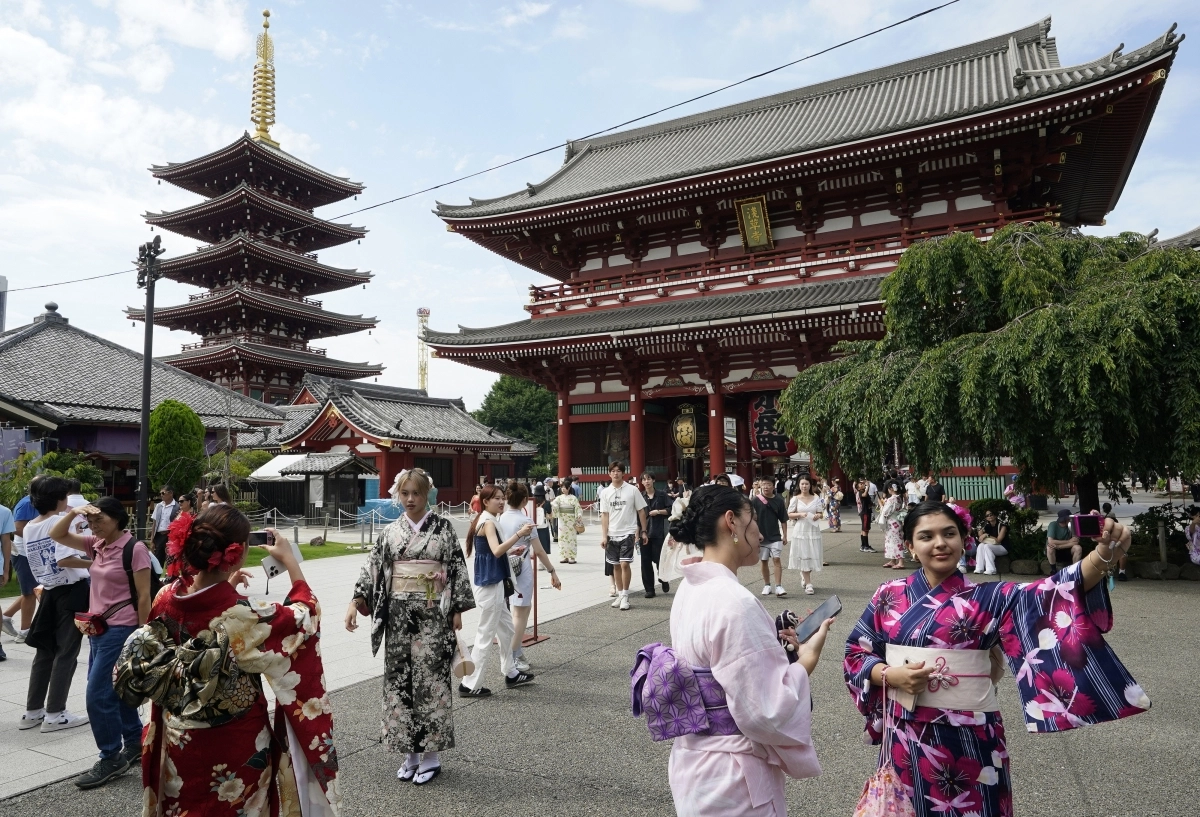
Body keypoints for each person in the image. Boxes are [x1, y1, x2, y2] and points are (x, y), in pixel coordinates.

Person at [844, 501, 1148, 817]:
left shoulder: (990, 597)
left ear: (964, 539)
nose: (939, 543)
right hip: (905, 736)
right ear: (909, 546)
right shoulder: (888, 594)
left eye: (949, 533)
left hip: (971, 737)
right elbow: (856, 651)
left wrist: (1102, 556)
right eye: (926, 536)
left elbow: (1046, 595)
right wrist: (888, 675)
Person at [116, 505, 340, 815]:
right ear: (239, 551)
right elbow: (306, 615)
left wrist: (225, 585)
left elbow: (202, 607)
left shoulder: (165, 597)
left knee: (184, 805)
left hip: (179, 736)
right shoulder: (244, 615)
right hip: (235, 741)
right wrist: (290, 562)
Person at [649, 484, 835, 815]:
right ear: (731, 522)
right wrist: (804, 661)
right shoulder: (735, 601)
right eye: (753, 522)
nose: (761, 533)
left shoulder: (691, 587)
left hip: (694, 760)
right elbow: (764, 710)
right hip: (733, 775)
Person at [346, 468, 475, 785]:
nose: (410, 499)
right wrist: (356, 601)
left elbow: (456, 567)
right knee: (399, 685)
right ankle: (410, 755)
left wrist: (457, 606)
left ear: (427, 493)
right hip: (399, 618)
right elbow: (373, 567)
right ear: (397, 494)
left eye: (416, 493)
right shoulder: (390, 532)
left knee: (431, 683)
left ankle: (431, 757)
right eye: (405, 493)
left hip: (433, 616)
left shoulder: (443, 530)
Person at [49, 497, 153, 789]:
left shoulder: (135, 549)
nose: (94, 527)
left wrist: (143, 634)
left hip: (121, 630)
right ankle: (133, 742)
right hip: (98, 630)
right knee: (118, 690)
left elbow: (144, 595)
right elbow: (56, 535)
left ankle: (110, 757)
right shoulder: (96, 544)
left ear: (119, 519)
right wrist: (74, 514)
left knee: (97, 695)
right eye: (91, 522)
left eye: (100, 521)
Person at [19, 476, 90, 733]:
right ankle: (56, 713)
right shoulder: (59, 522)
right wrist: (96, 563)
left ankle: (33, 711)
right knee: (66, 652)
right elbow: (65, 560)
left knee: (45, 650)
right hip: (71, 591)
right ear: (60, 499)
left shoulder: (29, 526)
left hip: (48, 591)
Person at [459, 485, 536, 696]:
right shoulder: (488, 522)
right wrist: (519, 535)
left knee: (507, 630)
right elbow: (496, 551)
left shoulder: (486, 519)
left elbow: (494, 551)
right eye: (496, 499)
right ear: (485, 501)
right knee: (485, 636)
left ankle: (511, 672)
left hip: (494, 583)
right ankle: (470, 684)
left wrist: (512, 548)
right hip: (490, 586)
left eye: (503, 498)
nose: (501, 502)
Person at [497, 482, 561, 674]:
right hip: (521, 568)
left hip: (504, 567)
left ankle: (514, 652)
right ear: (525, 500)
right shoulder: (526, 521)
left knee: (512, 612)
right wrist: (552, 571)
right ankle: (513, 655)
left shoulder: (499, 519)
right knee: (521, 611)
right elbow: (539, 550)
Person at [599, 462, 647, 612]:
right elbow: (604, 515)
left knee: (625, 564)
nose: (615, 474)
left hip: (628, 531)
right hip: (612, 533)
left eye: (618, 471)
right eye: (613, 471)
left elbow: (641, 511)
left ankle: (625, 595)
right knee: (615, 565)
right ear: (609, 474)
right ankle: (620, 593)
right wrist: (604, 536)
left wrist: (643, 531)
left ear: (623, 473)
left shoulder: (632, 490)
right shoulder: (605, 492)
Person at [3, 475, 44, 643]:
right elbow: (18, 528)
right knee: (29, 593)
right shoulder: (27, 503)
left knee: (33, 589)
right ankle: (25, 631)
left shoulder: (42, 502)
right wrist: (40, 535)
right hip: (24, 553)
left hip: (33, 552)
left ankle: (6, 616)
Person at [787, 476, 825, 596]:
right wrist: (800, 514)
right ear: (799, 485)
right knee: (804, 555)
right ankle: (808, 583)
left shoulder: (816, 498)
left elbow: (820, 512)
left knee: (811, 554)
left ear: (810, 485)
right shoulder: (795, 499)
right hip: (801, 529)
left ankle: (804, 575)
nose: (804, 486)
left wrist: (818, 516)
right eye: (802, 484)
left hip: (813, 529)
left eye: (806, 484)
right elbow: (789, 514)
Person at [754, 477, 790, 597]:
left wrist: (785, 535)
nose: (765, 487)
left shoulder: (779, 501)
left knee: (776, 559)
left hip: (775, 536)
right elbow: (750, 519)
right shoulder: (755, 500)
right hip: (761, 536)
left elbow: (783, 520)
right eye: (763, 484)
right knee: (764, 561)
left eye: (768, 484)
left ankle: (778, 586)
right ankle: (767, 585)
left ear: (773, 486)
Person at [639, 473, 672, 598]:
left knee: (660, 559)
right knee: (645, 561)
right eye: (644, 479)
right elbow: (637, 515)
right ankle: (649, 589)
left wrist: (658, 512)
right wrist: (638, 532)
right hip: (645, 532)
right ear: (642, 482)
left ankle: (663, 579)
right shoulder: (640, 496)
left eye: (649, 479)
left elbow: (671, 509)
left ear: (653, 480)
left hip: (659, 532)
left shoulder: (662, 495)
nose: (646, 481)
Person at [550, 478, 583, 564]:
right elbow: (553, 504)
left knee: (571, 538)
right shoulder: (559, 498)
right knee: (562, 538)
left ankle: (572, 556)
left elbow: (578, 508)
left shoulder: (573, 498)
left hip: (571, 521)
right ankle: (564, 556)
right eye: (562, 487)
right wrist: (555, 506)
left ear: (569, 488)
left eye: (564, 487)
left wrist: (579, 515)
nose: (563, 489)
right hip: (562, 521)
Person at [1100, 504, 1131, 583]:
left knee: (1123, 555)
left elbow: (1124, 537)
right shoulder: (1103, 528)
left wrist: (1118, 543)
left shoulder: (1118, 527)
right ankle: (1103, 573)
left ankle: (1122, 573)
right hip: (1106, 548)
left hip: (1117, 547)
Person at [149, 485, 179, 565]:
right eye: (160, 493)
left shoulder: (177, 507)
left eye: (163, 493)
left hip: (170, 536)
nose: (161, 495)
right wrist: (152, 540)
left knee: (171, 559)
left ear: (171, 493)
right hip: (159, 536)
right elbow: (154, 523)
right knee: (157, 560)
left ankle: (171, 576)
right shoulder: (159, 506)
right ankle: (156, 577)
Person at [974, 509, 1010, 576]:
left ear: (995, 515)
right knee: (981, 545)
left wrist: (987, 535)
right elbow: (981, 538)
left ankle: (991, 569)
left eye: (991, 514)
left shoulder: (1002, 526)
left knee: (987, 546)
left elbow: (998, 540)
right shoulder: (987, 526)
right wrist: (980, 529)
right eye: (987, 515)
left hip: (1003, 547)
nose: (989, 516)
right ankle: (979, 568)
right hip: (992, 546)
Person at [880, 482, 906, 569]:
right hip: (896, 521)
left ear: (891, 489)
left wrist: (881, 505)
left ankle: (900, 562)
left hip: (892, 521)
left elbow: (886, 511)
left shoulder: (891, 499)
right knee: (894, 540)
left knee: (895, 541)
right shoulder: (899, 498)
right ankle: (893, 560)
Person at [0, 499, 13, 661]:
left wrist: (5, 569)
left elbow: (5, 542)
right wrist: (6, 570)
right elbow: (6, 542)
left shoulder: (4, 512)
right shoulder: (4, 511)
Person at [855, 479, 878, 553]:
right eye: (860, 484)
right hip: (865, 512)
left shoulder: (864, 492)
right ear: (858, 488)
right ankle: (866, 546)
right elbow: (864, 495)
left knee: (864, 529)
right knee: (865, 529)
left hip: (866, 511)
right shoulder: (861, 492)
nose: (863, 485)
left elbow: (869, 502)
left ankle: (863, 545)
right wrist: (868, 487)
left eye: (863, 484)